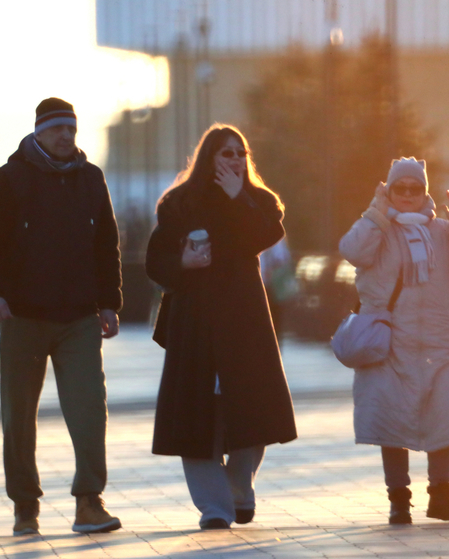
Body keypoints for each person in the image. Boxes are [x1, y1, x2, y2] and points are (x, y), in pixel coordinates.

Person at [0, 98, 122, 536]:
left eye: (71, 130)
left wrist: (110, 302)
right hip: (22, 316)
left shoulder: (91, 179)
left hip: (79, 318)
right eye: (57, 130)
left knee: (90, 408)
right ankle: (25, 507)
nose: (66, 137)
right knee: (18, 416)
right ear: (38, 132)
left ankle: (89, 502)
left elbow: (106, 244)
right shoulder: (9, 179)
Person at [145, 124, 297, 530]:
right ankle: (215, 507)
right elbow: (155, 260)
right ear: (208, 158)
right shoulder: (178, 204)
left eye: (239, 153)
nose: (233, 160)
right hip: (194, 321)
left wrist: (236, 200)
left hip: (243, 320)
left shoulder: (260, 201)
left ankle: (239, 487)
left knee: (253, 411)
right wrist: (182, 264)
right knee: (195, 416)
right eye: (224, 153)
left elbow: (264, 235)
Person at [338, 157, 449, 525]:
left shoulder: (443, 230)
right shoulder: (377, 227)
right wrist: (376, 213)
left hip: (439, 342)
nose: (408, 194)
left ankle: (440, 495)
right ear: (388, 190)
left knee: (442, 414)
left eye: (416, 188)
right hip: (389, 343)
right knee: (393, 420)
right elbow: (352, 251)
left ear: (425, 191)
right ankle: (399, 500)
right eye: (400, 188)